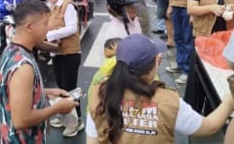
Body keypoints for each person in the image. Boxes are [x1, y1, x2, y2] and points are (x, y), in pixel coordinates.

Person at [87, 33, 234, 143]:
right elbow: (210, 127)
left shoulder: (99, 93)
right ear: (152, 67)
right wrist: (230, 101)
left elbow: (92, 140)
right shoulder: (168, 101)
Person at [0, 0, 77, 143]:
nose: (49, 27)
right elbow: (21, 120)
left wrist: (46, 92)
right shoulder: (23, 66)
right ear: (29, 27)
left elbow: (14, 93)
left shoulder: (11, 50)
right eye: (45, 23)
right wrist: (57, 108)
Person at [40, 0, 83, 137]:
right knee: (61, 87)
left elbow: (72, 27)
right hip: (56, 53)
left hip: (69, 54)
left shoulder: (67, 5)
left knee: (69, 89)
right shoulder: (50, 7)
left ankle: (76, 122)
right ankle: (64, 116)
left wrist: (50, 35)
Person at [165, 0, 194, 84]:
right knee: (178, 37)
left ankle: (187, 71)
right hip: (176, 5)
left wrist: (193, 13)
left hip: (187, 7)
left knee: (188, 40)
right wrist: (170, 6)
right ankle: (180, 64)